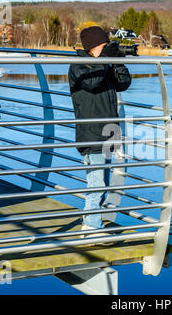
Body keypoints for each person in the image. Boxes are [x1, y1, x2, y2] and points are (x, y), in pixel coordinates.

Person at [68, 26, 132, 235]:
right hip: (92, 131)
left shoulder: (103, 63)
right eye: (104, 46)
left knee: (101, 182)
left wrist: (118, 61)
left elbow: (123, 83)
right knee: (97, 183)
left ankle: (90, 222)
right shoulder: (79, 65)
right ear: (94, 47)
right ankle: (92, 227)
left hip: (107, 131)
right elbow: (93, 83)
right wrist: (105, 59)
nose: (107, 49)